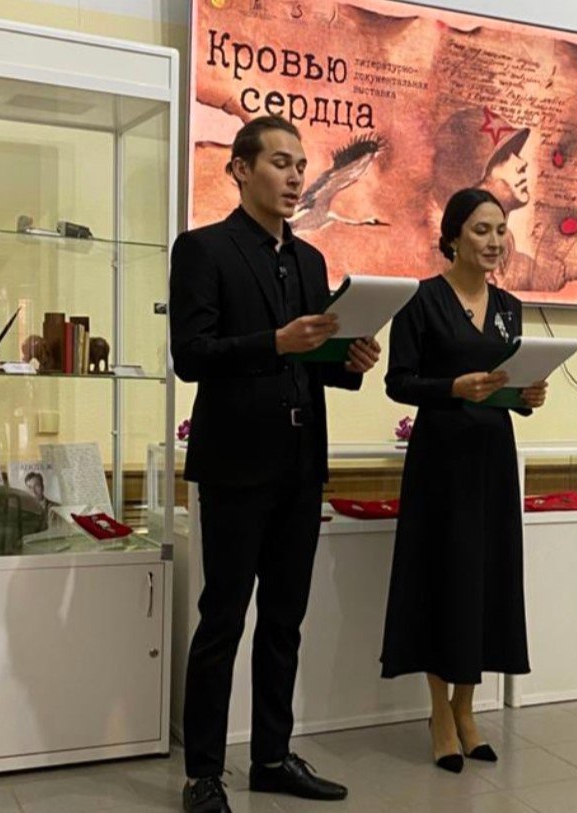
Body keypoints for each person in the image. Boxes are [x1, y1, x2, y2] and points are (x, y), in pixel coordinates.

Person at [170, 115, 381, 813]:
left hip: (301, 463)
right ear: (240, 168)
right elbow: (192, 355)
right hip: (235, 464)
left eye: (300, 166)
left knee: (286, 620)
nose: (295, 178)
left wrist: (349, 361)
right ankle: (204, 773)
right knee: (222, 619)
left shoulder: (312, 262)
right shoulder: (203, 249)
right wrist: (276, 342)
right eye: (280, 163)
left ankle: (270, 756)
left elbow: (313, 361)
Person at [380, 188, 548, 773]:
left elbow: (510, 390)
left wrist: (527, 396)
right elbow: (398, 382)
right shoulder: (421, 301)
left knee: (484, 578)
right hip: (440, 460)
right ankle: (439, 712)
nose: (495, 241)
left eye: (501, 229)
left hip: (493, 457)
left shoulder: (509, 307)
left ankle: (466, 707)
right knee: (441, 578)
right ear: (452, 236)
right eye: (481, 230)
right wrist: (452, 388)